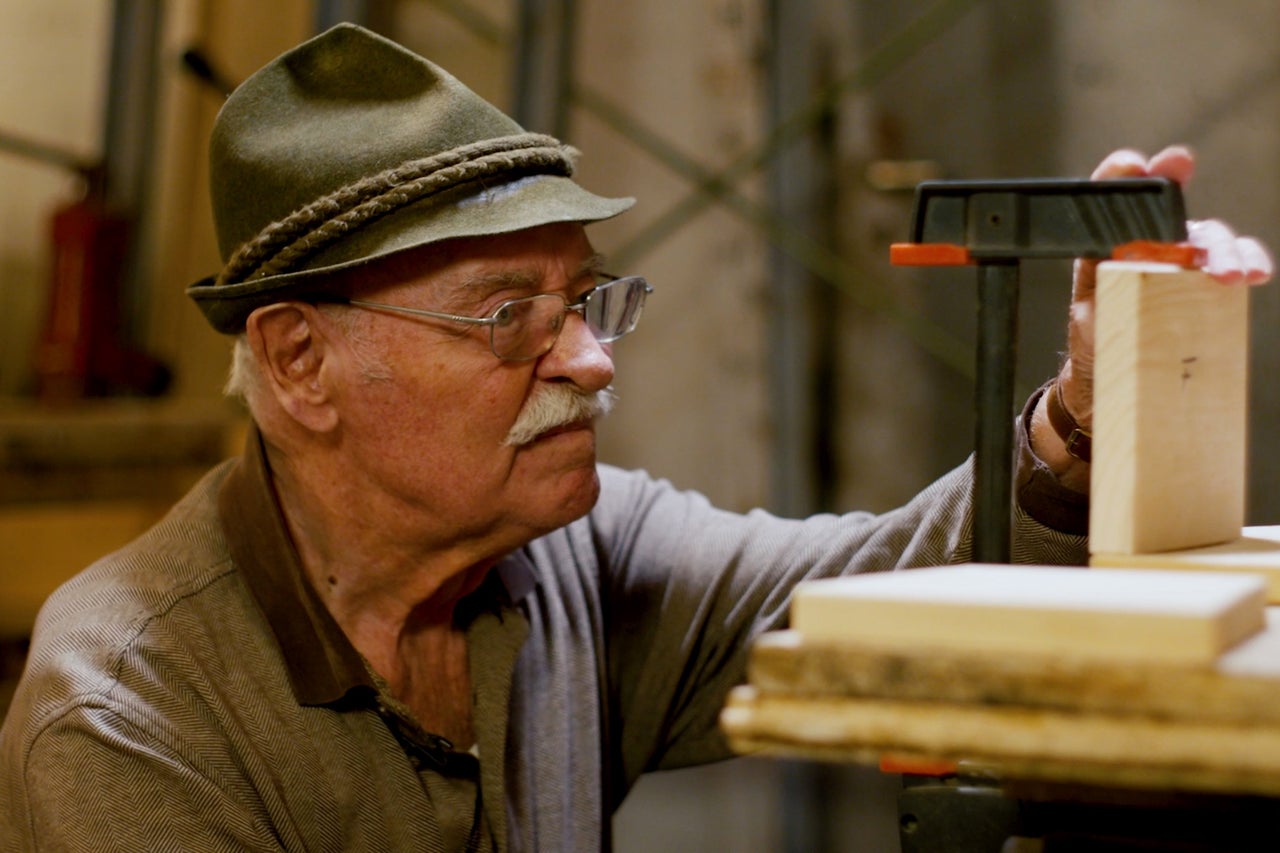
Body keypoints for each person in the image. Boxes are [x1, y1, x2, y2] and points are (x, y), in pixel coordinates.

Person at [0, 22, 1270, 853]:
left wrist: (1081, 410)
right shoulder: (128, 713)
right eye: (508, 317)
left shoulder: (571, 550)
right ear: (298, 362)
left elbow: (883, 588)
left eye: (585, 300)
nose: (591, 360)